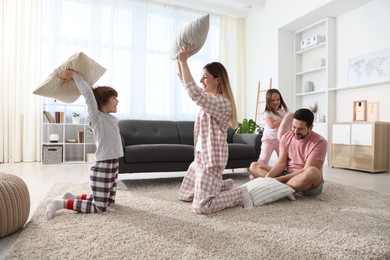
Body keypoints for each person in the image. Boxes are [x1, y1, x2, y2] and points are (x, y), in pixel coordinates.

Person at [177, 45, 253, 214]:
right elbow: (185, 82)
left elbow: (194, 93)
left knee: (201, 206)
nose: (201, 80)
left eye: (205, 77)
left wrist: (184, 61)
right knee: (186, 195)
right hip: (199, 157)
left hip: (210, 161)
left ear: (217, 80)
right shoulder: (208, 101)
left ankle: (240, 194)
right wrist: (180, 60)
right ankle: (221, 185)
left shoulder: (222, 103)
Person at [46, 69, 123, 219]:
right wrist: (75, 76)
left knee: (109, 202)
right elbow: (88, 94)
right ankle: (58, 204)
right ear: (101, 102)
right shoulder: (96, 118)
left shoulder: (111, 118)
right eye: (114, 97)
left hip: (113, 164)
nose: (117, 101)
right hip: (103, 166)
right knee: (99, 207)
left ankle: (72, 197)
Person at [248, 108, 327, 196]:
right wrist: (268, 177)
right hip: (287, 172)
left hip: (304, 177)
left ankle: (276, 188)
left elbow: (306, 169)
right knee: (254, 166)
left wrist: (280, 179)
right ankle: (283, 189)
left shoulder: (320, 142)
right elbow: (281, 163)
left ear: (310, 127)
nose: (296, 132)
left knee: (312, 171)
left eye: (300, 129)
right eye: (294, 127)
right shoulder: (286, 137)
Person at [257, 88, 289, 164]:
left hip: (280, 140)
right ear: (268, 101)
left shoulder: (282, 111)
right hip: (269, 139)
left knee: (284, 160)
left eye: (278, 100)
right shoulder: (267, 112)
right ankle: (256, 172)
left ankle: (284, 173)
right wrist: (284, 118)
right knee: (263, 159)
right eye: (273, 100)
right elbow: (272, 125)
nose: (276, 102)